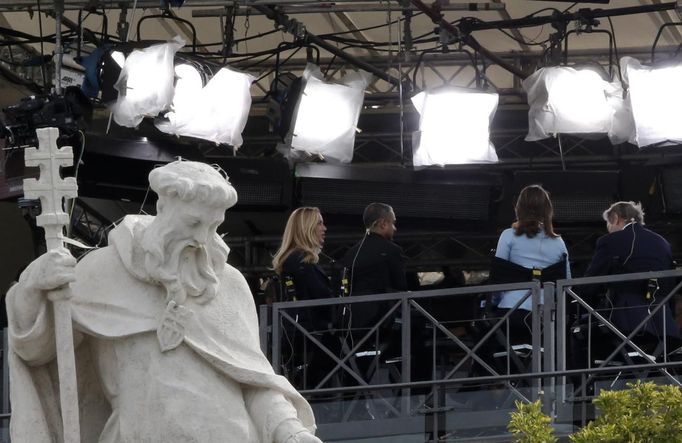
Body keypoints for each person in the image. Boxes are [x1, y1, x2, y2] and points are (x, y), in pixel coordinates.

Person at [6, 161, 321, 443]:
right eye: (194, 223)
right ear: (163, 208)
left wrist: (289, 430)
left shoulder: (229, 286)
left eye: (213, 227)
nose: (202, 239)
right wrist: (33, 290)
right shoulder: (101, 274)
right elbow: (38, 350)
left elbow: (255, 381)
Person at [581, 201, 681, 343]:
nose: (608, 229)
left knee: (578, 333)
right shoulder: (663, 243)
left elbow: (589, 285)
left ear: (616, 218)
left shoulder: (610, 241)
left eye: (609, 224)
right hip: (664, 325)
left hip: (625, 324)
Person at [493, 185, 570, 343]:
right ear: (548, 210)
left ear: (518, 208)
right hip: (546, 316)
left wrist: (493, 304)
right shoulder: (558, 242)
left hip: (511, 312)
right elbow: (567, 284)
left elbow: (497, 277)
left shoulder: (508, 236)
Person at [272, 207, 336, 389]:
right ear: (306, 228)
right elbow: (322, 299)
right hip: (312, 340)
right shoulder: (302, 262)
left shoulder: (292, 260)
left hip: (303, 338)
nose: (324, 228)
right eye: (319, 223)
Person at [342, 202, 407, 298]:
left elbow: (344, 287)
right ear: (383, 224)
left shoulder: (350, 254)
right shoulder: (393, 250)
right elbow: (401, 287)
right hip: (385, 311)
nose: (395, 228)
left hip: (355, 311)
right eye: (393, 223)